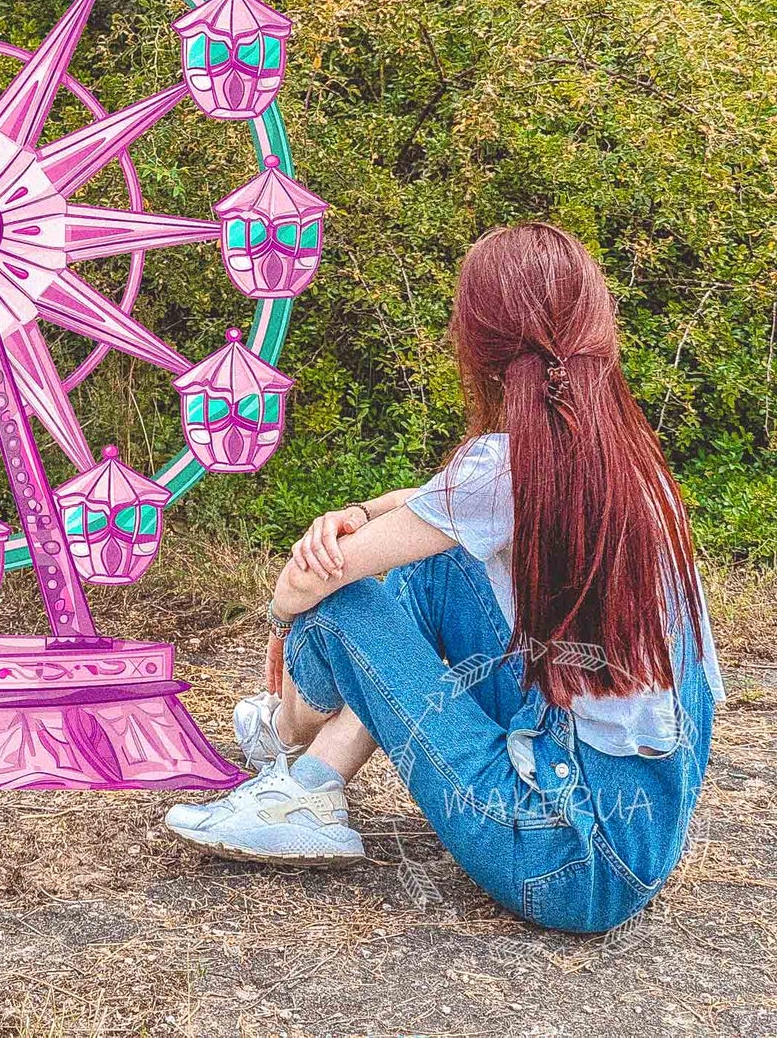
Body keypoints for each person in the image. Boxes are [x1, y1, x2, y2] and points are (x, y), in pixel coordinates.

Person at [165, 223, 724, 933]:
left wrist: (280, 628)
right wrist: (359, 511)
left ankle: (287, 736)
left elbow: (309, 588)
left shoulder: (505, 465)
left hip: (563, 858)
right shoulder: (622, 461)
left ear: (477, 343)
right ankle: (307, 781)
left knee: (342, 607)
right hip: (635, 834)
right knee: (434, 568)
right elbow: (444, 507)